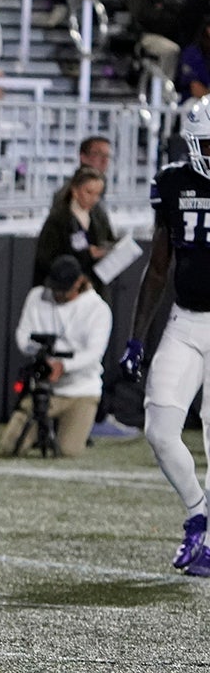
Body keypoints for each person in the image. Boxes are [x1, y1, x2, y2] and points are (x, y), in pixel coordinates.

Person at [120, 95, 210, 577]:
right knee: (159, 429)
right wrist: (136, 338)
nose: (209, 152)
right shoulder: (174, 183)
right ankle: (198, 512)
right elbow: (158, 268)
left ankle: (208, 541)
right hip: (186, 318)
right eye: (205, 143)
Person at [0, 255, 112, 457]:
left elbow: (94, 353)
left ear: (79, 281)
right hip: (43, 388)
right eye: (55, 287)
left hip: (81, 391)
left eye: (63, 289)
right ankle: (39, 433)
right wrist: (41, 356)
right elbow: (22, 336)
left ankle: (61, 431)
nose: (58, 293)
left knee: (68, 451)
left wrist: (64, 366)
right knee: (10, 446)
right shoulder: (37, 296)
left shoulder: (98, 308)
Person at [33, 166, 116, 304]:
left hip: (95, 290)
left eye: (98, 194)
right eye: (89, 192)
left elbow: (109, 239)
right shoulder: (58, 219)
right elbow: (47, 258)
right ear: (75, 191)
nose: (94, 199)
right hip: (64, 293)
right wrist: (86, 254)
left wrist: (105, 250)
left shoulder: (99, 216)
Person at [127, 0, 199, 81]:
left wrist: (166, 9)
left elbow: (193, 12)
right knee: (171, 50)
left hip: (180, 35)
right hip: (147, 36)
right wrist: (174, 13)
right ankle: (164, 96)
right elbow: (144, 16)